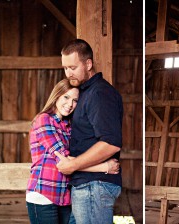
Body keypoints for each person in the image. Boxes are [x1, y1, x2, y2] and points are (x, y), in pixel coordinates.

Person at [26, 79, 119, 224]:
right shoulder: (44, 120)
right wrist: (104, 167)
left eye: (75, 100)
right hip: (43, 194)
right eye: (66, 97)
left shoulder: (68, 127)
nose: (70, 104)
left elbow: (75, 161)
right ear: (56, 96)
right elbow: (65, 162)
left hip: (63, 197)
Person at [55, 39, 123, 224]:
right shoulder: (84, 93)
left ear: (88, 64)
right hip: (86, 185)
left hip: (95, 186)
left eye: (73, 67)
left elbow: (110, 143)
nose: (68, 73)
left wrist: (74, 164)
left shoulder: (99, 93)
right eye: (65, 68)